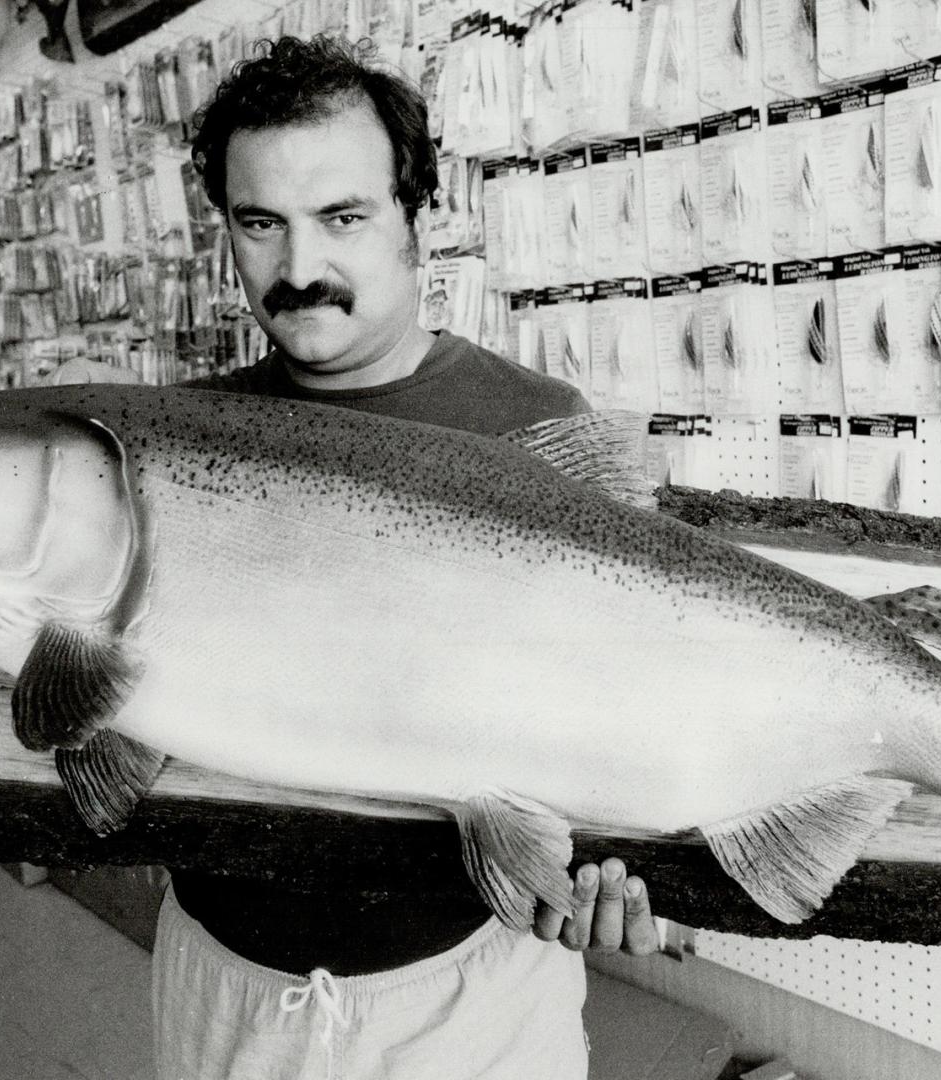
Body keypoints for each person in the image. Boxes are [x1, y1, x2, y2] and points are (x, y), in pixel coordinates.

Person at [160, 35, 658, 1080]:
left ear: (414, 219)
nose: (299, 272)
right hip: (221, 983)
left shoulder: (537, 430)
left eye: (342, 218)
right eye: (261, 225)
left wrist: (628, 851)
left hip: (470, 998)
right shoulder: (180, 438)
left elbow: (626, 691)